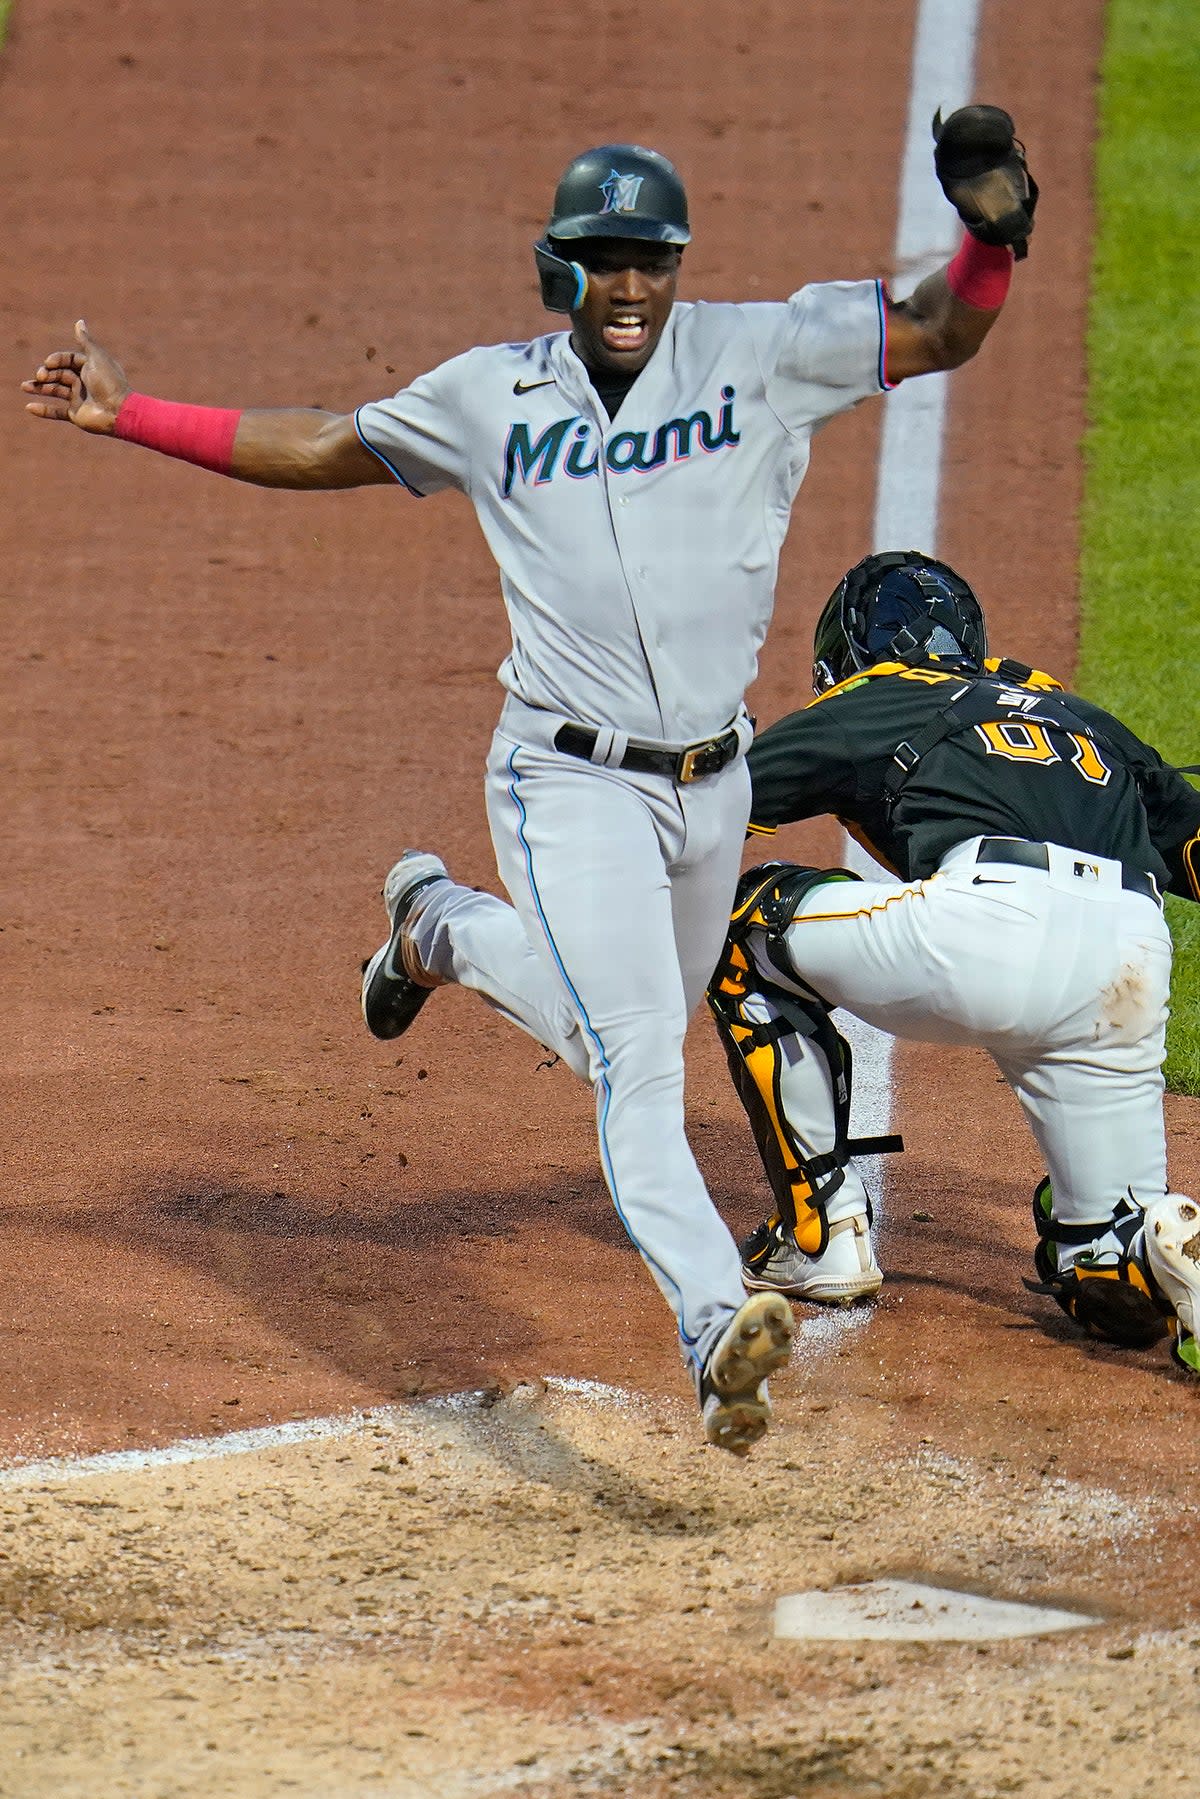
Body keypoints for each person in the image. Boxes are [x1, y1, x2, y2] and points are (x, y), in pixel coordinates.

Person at [23, 120, 1036, 1453]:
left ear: (676, 267)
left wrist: (990, 237)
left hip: (712, 784)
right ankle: (712, 1319)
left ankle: (434, 923)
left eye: (648, 262)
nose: (627, 286)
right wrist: (129, 412)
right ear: (562, 268)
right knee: (632, 1061)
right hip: (568, 782)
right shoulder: (489, 397)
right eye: (602, 260)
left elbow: (938, 330)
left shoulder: (763, 355)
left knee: (610, 1023)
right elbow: (329, 442)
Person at [706, 549, 1200, 1375]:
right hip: (1130, 958)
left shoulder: (878, 695)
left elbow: (713, 806)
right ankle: (1163, 1236)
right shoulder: (1083, 718)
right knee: (1104, 1277)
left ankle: (820, 1235)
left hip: (989, 924)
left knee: (747, 926)